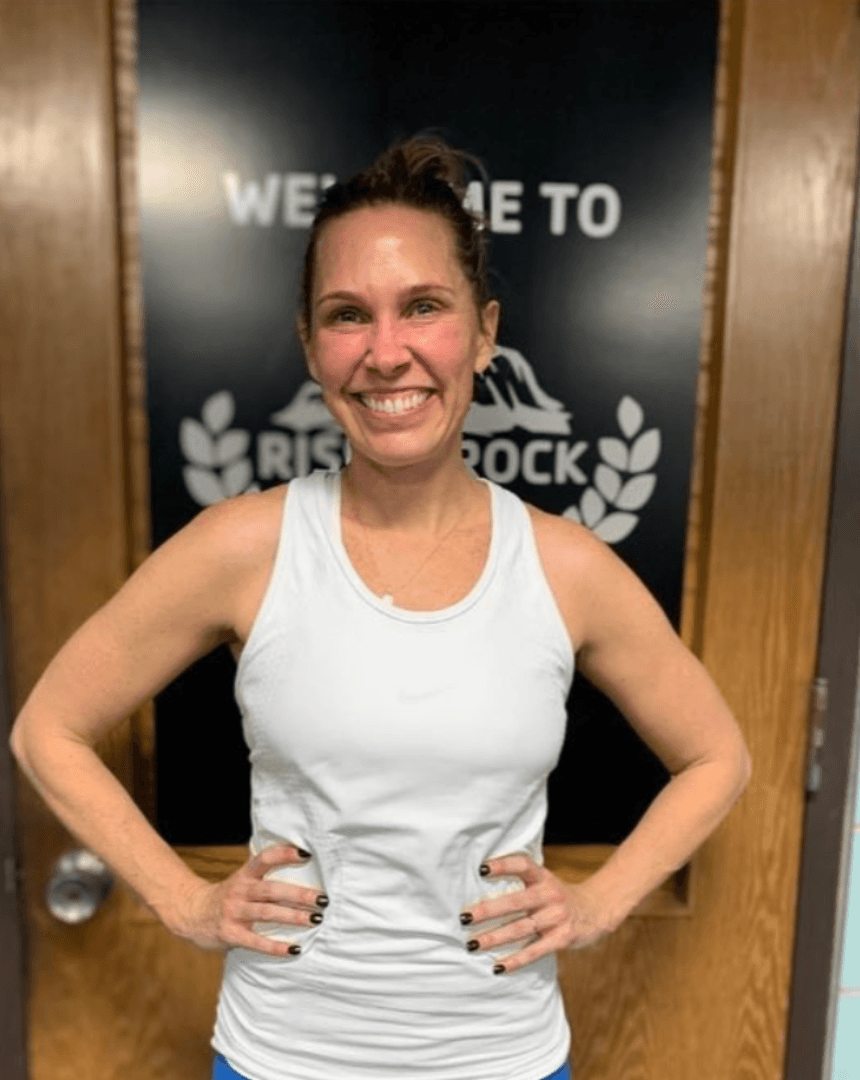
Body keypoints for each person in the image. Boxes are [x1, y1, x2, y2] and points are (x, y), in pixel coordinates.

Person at [9, 136, 751, 1080]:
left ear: (483, 332)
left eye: (424, 307)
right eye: (348, 314)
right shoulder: (243, 547)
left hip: (505, 1058)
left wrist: (599, 903)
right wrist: (184, 902)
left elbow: (717, 756)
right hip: (281, 1056)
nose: (386, 352)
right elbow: (48, 730)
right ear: (311, 345)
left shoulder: (567, 567)